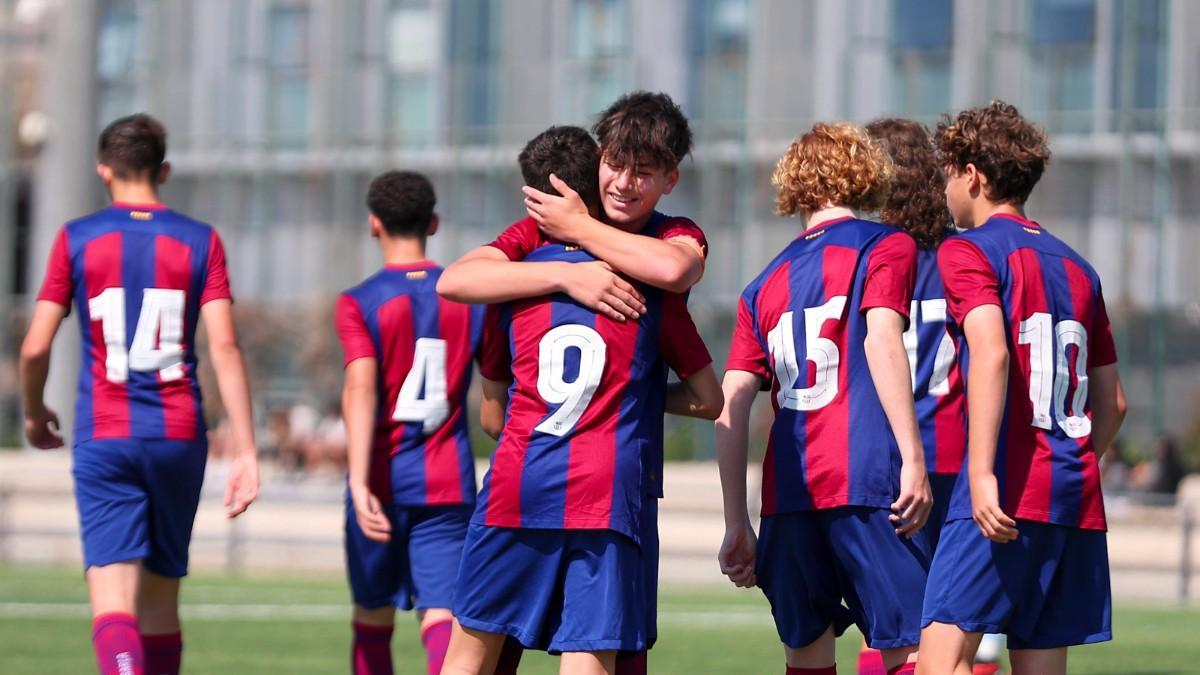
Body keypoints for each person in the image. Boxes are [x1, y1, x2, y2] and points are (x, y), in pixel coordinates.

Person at [437, 92, 710, 675]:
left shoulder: (644, 245)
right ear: (596, 161)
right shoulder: (621, 275)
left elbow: (673, 266)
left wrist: (578, 230)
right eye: (615, 164)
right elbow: (453, 281)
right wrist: (569, 273)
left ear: (671, 179)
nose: (625, 183)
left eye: (643, 171)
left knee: (471, 655)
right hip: (605, 490)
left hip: (522, 480)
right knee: (590, 653)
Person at [20, 113, 259, 675]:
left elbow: (34, 347)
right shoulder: (201, 240)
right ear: (164, 171)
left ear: (103, 171)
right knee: (159, 606)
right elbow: (225, 346)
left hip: (106, 434)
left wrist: (33, 412)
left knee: (114, 604)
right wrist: (247, 450)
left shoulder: (77, 238)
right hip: (178, 436)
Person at [917, 101, 1128, 675]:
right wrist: (1070, 462)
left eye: (948, 173)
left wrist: (982, 473)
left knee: (939, 664)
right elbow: (1113, 403)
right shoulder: (1080, 268)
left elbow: (992, 352)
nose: (945, 189)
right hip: (1071, 496)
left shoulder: (967, 249)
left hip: (1004, 489)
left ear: (973, 176)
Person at [716, 122, 931, 675]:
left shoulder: (762, 284)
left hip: (789, 496)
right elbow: (880, 338)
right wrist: (913, 457)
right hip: (867, 481)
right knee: (909, 650)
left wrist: (736, 519)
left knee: (807, 656)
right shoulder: (887, 244)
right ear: (867, 174)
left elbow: (732, 401)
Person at [334, 170, 484, 675]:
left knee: (372, 618)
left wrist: (358, 483)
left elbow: (359, 389)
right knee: (442, 618)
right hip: (448, 482)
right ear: (433, 223)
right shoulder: (469, 298)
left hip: (380, 481)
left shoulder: (359, 302)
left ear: (374, 224)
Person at [856, 119, 975, 675]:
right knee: (951, 638)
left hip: (891, 464)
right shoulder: (964, 254)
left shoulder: (867, 255)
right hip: (960, 454)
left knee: (894, 632)